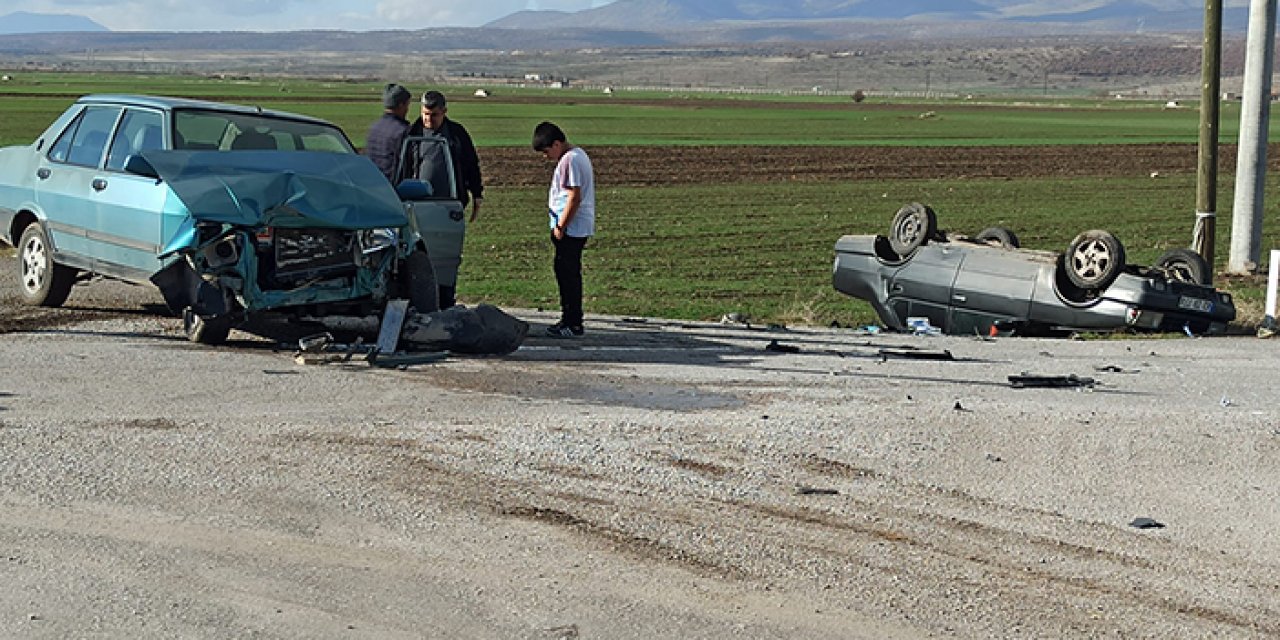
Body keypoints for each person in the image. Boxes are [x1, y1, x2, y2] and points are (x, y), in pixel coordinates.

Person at [532, 121, 594, 338]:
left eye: (547, 151)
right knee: (565, 271)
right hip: (572, 226)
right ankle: (569, 318)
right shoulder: (578, 155)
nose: (546, 157)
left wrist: (561, 226)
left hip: (571, 228)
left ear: (557, 144)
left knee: (568, 274)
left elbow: (574, 197)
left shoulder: (571, 160)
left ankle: (572, 322)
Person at [408, 90, 484, 223]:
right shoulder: (412, 134)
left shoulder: (456, 134)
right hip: (420, 204)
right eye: (425, 114)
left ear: (444, 111)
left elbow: (471, 164)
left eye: (434, 115)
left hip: (451, 203)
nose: (429, 119)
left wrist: (477, 194)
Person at [365, 83, 412, 183]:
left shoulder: (374, 128)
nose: (407, 109)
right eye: (407, 105)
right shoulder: (402, 131)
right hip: (393, 186)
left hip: (372, 182)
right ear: (401, 105)